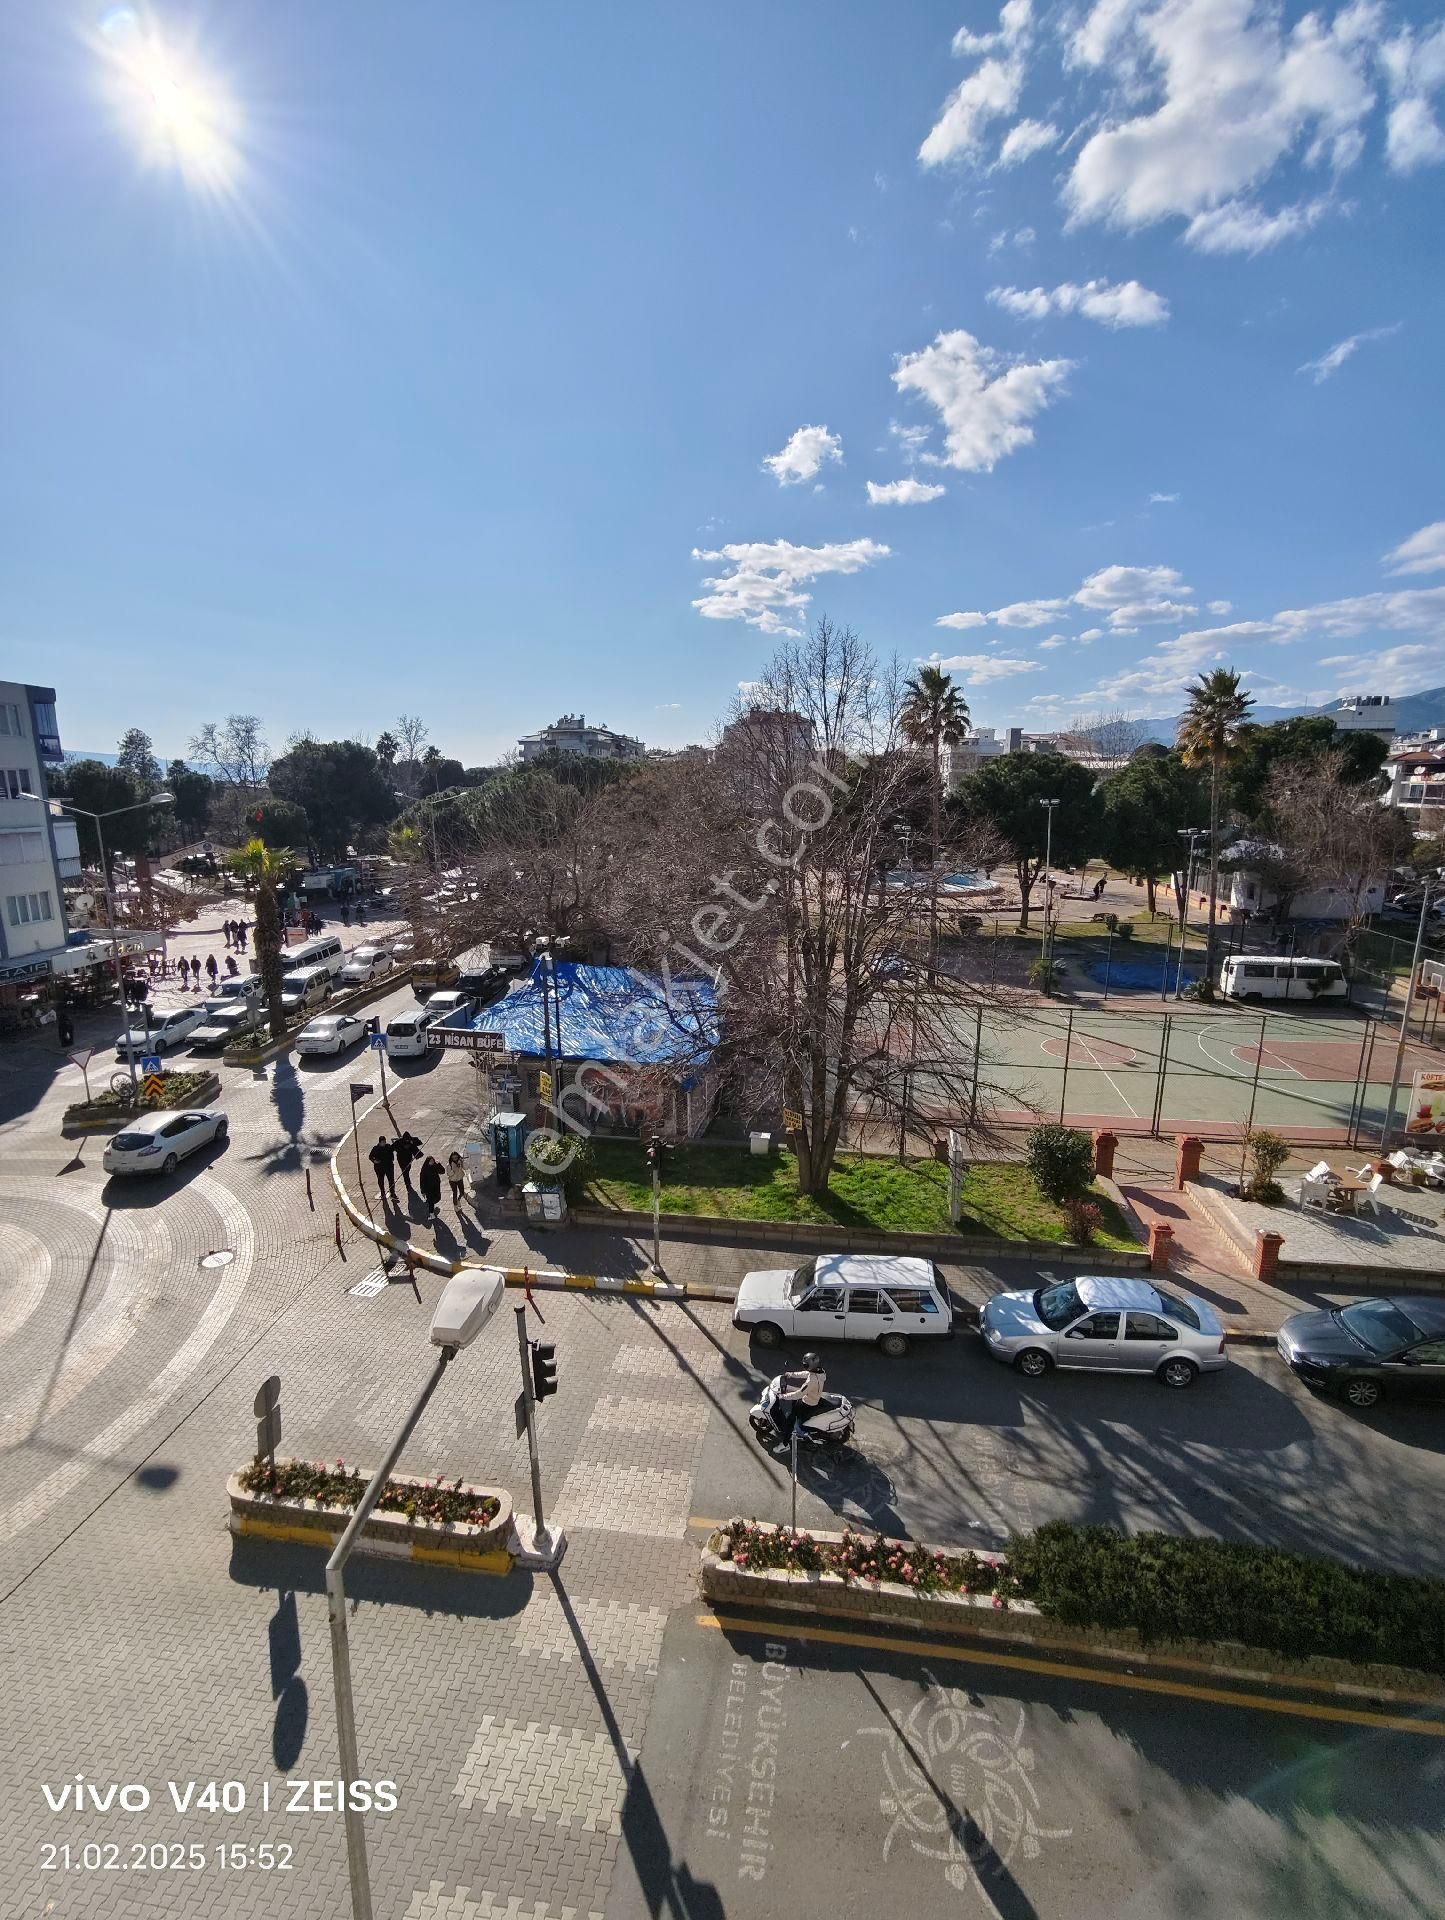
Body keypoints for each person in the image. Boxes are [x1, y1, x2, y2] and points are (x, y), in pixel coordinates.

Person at [773, 1353, 826, 1444]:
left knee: (790, 1419)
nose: (804, 1366)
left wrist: (783, 1396)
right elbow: (806, 1374)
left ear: (810, 1365)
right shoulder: (820, 1371)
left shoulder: (811, 1381)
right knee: (793, 1395)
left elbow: (799, 1394)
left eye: (805, 1364)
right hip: (813, 1396)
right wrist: (791, 1374)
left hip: (808, 1402)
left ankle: (785, 1443)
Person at [368, 1134, 398, 1206]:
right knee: (381, 1180)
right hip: (380, 1168)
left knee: (391, 1180)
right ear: (379, 1142)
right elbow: (370, 1156)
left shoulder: (388, 1146)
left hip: (389, 1166)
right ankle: (382, 1192)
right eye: (382, 1142)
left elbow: (394, 1148)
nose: (383, 1143)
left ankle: (392, 1193)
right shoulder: (375, 1148)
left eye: (384, 1141)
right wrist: (374, 1161)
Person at [418, 1154, 444, 1222]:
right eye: (430, 1161)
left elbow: (442, 1171)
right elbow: (422, 1181)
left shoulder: (435, 1166)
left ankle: (431, 1206)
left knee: (438, 1198)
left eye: (433, 1161)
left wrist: (439, 1165)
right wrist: (423, 1191)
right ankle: (431, 1214)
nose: (432, 1162)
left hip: (436, 1186)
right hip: (428, 1189)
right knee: (431, 1201)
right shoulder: (424, 1169)